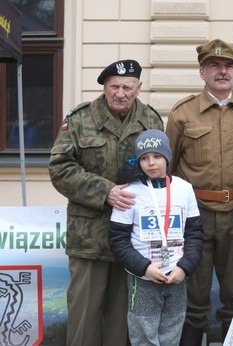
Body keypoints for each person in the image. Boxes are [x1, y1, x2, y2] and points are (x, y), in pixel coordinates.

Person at [165, 36, 233, 344]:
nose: (222, 71)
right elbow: (168, 169)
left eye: (229, 65)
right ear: (202, 72)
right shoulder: (182, 114)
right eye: (214, 65)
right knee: (193, 299)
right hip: (195, 218)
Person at [48, 59, 164, 346]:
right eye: (114, 86)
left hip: (135, 239)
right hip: (91, 238)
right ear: (104, 87)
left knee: (123, 323)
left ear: (138, 88)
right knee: (84, 321)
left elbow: (163, 172)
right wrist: (105, 191)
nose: (120, 93)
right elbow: (59, 168)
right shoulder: (80, 119)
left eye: (127, 86)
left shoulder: (151, 120)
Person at [108, 129, 204, 345]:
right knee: (144, 335)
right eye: (144, 158)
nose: (151, 163)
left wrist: (184, 267)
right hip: (143, 278)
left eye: (157, 156)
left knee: (172, 332)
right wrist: (144, 268)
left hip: (176, 276)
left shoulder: (184, 188)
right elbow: (118, 240)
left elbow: (195, 234)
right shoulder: (128, 191)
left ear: (167, 157)